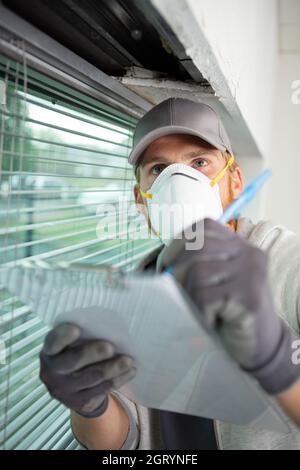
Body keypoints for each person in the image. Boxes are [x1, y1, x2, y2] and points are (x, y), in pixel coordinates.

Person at [39, 98, 300, 450]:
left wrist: (277, 361)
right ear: (141, 201)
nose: (180, 183)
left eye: (199, 162)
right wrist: (90, 405)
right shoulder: (134, 293)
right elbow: (123, 441)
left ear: (235, 181)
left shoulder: (290, 264)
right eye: (159, 169)